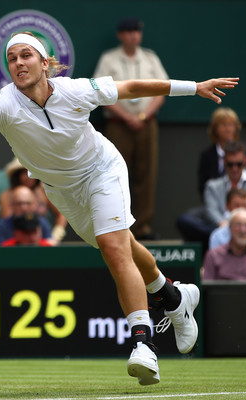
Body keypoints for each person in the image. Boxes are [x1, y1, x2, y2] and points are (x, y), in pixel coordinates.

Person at [0, 30, 238, 385]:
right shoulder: (6, 105)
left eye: (26, 55)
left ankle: (145, 345)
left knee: (114, 248)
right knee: (121, 244)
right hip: (63, 192)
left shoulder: (76, 90)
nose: (18, 63)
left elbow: (132, 88)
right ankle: (173, 296)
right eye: (12, 58)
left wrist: (193, 86)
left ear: (45, 62)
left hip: (102, 171)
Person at [92, 17, 168, 239]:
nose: (134, 35)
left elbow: (162, 90)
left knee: (147, 174)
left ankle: (143, 226)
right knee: (115, 174)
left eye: (137, 31)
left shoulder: (150, 58)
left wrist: (143, 116)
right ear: (120, 35)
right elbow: (100, 92)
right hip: (118, 124)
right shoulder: (109, 59)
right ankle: (119, 225)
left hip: (147, 124)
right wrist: (126, 116)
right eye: (128, 31)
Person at [177, 141, 246, 247]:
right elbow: (211, 211)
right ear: (223, 162)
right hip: (219, 227)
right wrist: (224, 224)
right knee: (185, 221)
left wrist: (240, 221)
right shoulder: (212, 186)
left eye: (239, 164)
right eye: (230, 164)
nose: (234, 169)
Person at [0, 157, 67, 242]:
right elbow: (7, 221)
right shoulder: (6, 195)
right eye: (24, 172)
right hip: (15, 238)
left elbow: (61, 213)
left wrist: (56, 236)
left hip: (42, 235)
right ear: (17, 175)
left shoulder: (44, 190)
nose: (28, 176)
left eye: (31, 172)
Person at [197, 107, 246, 197]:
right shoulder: (207, 155)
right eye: (224, 125)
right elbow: (203, 187)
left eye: (231, 125)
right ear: (215, 128)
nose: (228, 129)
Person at [202, 208, 246, 281]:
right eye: (238, 225)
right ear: (229, 228)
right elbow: (207, 286)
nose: (242, 230)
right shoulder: (213, 255)